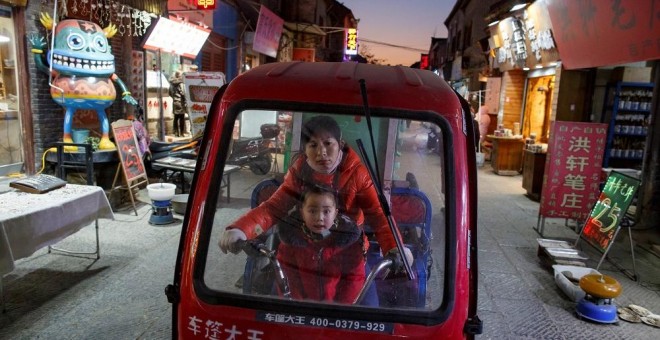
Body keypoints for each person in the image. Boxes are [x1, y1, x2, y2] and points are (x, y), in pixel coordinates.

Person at [219, 115, 413, 265]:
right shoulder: (299, 171)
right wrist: (241, 229)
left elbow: (378, 215)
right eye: (313, 145)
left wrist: (396, 248)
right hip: (304, 248)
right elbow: (273, 208)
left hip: (348, 251)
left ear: (340, 144)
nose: (321, 153)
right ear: (305, 149)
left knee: (368, 307)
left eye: (328, 144)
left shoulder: (358, 174)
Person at [276, 184, 365, 303]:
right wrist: (298, 307)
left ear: (335, 213)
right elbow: (287, 278)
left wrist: (339, 308)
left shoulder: (349, 243)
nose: (319, 218)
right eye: (312, 211)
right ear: (302, 213)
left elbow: (354, 279)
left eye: (327, 211)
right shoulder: (290, 242)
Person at [169, 71, 187, 137]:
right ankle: (182, 133)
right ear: (179, 76)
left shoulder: (171, 84)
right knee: (182, 118)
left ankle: (176, 133)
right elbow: (183, 93)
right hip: (180, 102)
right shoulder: (181, 84)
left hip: (175, 102)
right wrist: (185, 100)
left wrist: (174, 98)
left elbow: (170, 93)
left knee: (176, 118)